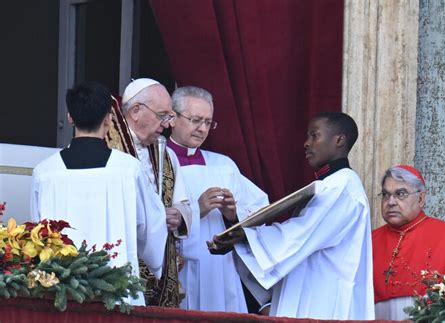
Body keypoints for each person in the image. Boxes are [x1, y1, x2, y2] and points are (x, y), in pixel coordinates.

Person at [212, 111, 375, 319]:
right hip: (310, 289)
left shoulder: (342, 185)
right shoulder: (329, 184)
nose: (307, 143)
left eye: (314, 135)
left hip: (324, 297)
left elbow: (300, 234)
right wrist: (243, 236)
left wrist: (247, 236)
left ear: (339, 140)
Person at [30, 81, 168, 306]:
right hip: (118, 291)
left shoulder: (45, 172)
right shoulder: (128, 169)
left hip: (63, 292)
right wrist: (154, 263)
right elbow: (151, 226)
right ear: (109, 119)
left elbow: (39, 230)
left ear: (70, 117)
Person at [167, 86, 269, 312]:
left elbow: (260, 208)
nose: (202, 129)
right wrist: (197, 208)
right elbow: (148, 217)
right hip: (175, 269)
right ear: (172, 118)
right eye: (195, 120)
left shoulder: (223, 166)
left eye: (208, 122)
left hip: (218, 270)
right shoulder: (156, 161)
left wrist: (233, 215)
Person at [105, 78, 192, 307]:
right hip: (122, 256)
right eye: (162, 115)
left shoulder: (167, 155)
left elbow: (183, 203)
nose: (167, 124)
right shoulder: (105, 150)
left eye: (169, 116)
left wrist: (179, 215)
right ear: (135, 111)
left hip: (161, 267)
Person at [372, 165, 445, 320]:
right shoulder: (370, 240)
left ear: (421, 198)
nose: (390, 202)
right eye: (386, 194)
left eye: (400, 194)